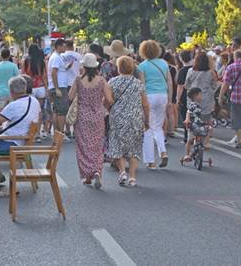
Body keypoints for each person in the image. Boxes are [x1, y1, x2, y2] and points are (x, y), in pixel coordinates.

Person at [105, 56, 149, 187]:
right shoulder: (138, 84)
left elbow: (107, 101)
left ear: (119, 68)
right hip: (135, 118)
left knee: (118, 145)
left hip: (117, 117)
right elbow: (145, 104)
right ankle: (132, 177)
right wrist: (148, 120)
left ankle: (122, 171)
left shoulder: (112, 82)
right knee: (134, 148)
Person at [69, 53, 107, 188]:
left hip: (82, 116)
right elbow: (109, 99)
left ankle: (87, 176)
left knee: (83, 146)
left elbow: (70, 96)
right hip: (97, 116)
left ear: (84, 66)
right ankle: (97, 170)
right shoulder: (101, 80)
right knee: (97, 145)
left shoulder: (79, 80)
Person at [137, 41, 172, 169]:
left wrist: (141, 100)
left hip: (149, 96)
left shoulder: (142, 66)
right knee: (158, 127)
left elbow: (142, 84)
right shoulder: (164, 64)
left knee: (148, 128)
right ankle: (163, 151)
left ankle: (150, 161)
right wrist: (170, 99)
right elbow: (169, 82)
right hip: (163, 95)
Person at [184, 52, 220, 134]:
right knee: (206, 119)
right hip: (206, 99)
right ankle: (206, 138)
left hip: (193, 98)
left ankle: (192, 137)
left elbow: (186, 85)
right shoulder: (211, 72)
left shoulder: (190, 71)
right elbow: (214, 85)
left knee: (193, 117)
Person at [48, 39, 73, 142]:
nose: (65, 48)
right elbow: (54, 72)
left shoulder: (57, 57)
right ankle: (61, 133)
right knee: (61, 111)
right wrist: (57, 88)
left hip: (58, 86)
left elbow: (58, 71)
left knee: (56, 110)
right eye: (63, 46)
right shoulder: (56, 58)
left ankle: (57, 133)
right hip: (59, 87)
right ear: (58, 46)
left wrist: (66, 68)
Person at [183, 87, 213, 160]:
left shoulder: (199, 105)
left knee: (210, 128)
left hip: (199, 123)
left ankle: (206, 143)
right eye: (200, 95)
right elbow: (188, 112)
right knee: (190, 140)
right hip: (193, 124)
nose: (201, 96)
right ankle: (187, 154)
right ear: (195, 96)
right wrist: (187, 119)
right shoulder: (192, 104)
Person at [175, 50, 194, 142]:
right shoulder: (195, 68)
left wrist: (177, 99)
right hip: (195, 94)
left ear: (181, 59)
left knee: (185, 116)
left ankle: (187, 136)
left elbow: (180, 86)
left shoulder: (182, 71)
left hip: (185, 96)